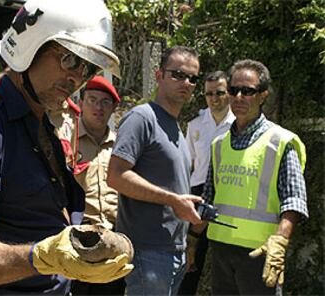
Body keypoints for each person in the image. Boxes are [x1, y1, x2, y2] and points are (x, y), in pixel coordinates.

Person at [0, 0, 132, 294]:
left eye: (88, 69)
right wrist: (39, 257)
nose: (77, 77)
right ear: (30, 46)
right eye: (70, 59)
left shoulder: (39, 124)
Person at [189, 59, 308, 295]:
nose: (239, 97)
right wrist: (192, 241)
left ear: (263, 95)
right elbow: (209, 199)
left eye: (248, 91)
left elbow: (294, 200)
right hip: (221, 251)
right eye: (234, 90)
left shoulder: (280, 142)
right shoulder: (219, 145)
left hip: (260, 253)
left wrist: (281, 241)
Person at [107, 46, 203, 296]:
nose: (187, 82)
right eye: (178, 75)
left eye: (193, 78)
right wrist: (172, 200)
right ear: (159, 76)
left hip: (174, 250)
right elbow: (116, 175)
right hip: (147, 252)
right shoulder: (142, 118)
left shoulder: (175, 128)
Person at [178, 71, 235, 295]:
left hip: (229, 193)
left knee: (226, 257)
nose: (214, 98)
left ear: (229, 93)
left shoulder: (239, 124)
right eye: (209, 94)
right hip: (199, 193)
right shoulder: (195, 124)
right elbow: (187, 164)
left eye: (220, 92)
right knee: (191, 258)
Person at [71, 75, 125, 295]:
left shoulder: (122, 145)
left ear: (113, 108)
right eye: (92, 100)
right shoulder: (67, 141)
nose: (98, 107)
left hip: (114, 237)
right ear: (81, 102)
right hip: (78, 237)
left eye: (105, 102)